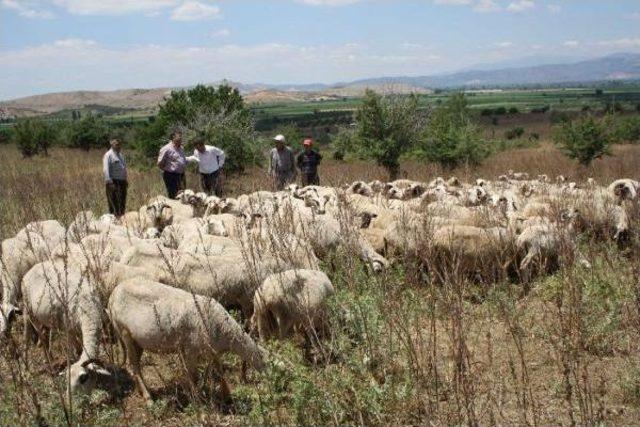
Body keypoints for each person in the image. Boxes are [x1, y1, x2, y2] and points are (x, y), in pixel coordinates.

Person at [157, 129, 187, 199]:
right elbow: (159, 163)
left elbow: (182, 160)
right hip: (171, 176)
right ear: (173, 137)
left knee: (183, 194)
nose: (180, 139)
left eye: (181, 137)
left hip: (181, 175)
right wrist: (168, 170)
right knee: (174, 195)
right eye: (179, 137)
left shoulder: (181, 148)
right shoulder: (166, 149)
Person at [103, 138, 128, 217]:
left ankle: (121, 221)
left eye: (119, 144)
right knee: (114, 205)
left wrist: (125, 180)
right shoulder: (108, 155)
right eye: (116, 144)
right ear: (111, 144)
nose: (118, 146)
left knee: (122, 203)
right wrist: (109, 182)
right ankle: (114, 222)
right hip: (113, 183)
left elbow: (123, 168)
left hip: (122, 183)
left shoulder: (120, 155)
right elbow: (106, 170)